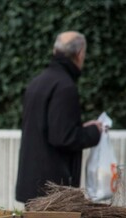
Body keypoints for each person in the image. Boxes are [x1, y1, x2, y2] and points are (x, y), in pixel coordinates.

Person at [15, 30, 103, 203]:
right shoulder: (65, 87)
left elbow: (49, 128)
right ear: (79, 54)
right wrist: (94, 132)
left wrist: (81, 128)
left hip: (33, 185)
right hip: (53, 191)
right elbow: (63, 137)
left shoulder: (38, 82)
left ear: (55, 52)